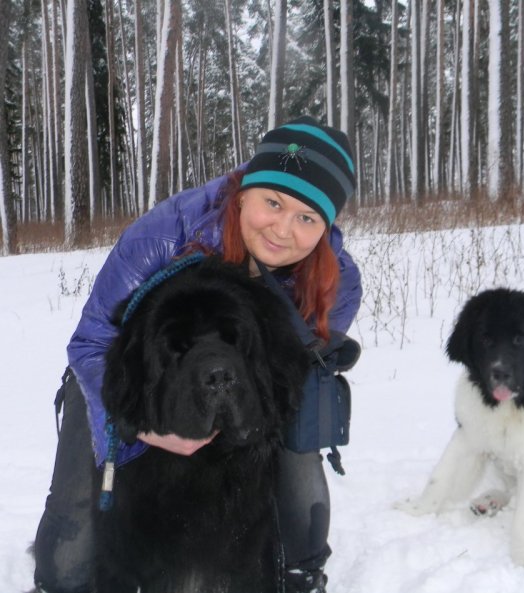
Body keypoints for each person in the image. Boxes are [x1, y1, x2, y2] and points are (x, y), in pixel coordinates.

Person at [33, 116, 362, 593]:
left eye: (307, 218)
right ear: (245, 188)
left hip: (241, 377)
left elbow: (290, 371)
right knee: (70, 564)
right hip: (120, 372)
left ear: (327, 225)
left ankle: (299, 572)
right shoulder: (163, 235)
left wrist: (252, 420)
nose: (283, 229)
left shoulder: (338, 283)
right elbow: (93, 343)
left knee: (295, 456)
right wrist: (134, 433)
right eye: (273, 202)